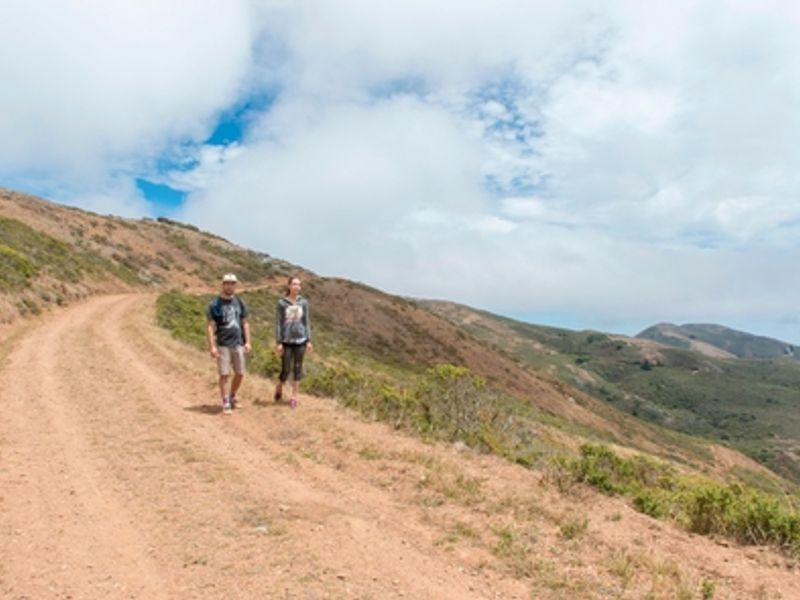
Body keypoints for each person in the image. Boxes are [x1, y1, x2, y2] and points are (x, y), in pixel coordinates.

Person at [206, 273, 251, 414]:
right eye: (228, 283)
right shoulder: (215, 304)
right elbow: (210, 326)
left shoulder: (240, 302)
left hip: (238, 343)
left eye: (233, 283)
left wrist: (248, 342)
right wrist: (212, 346)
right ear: (223, 284)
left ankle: (232, 396)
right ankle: (225, 401)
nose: (230, 286)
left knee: (240, 373)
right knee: (224, 374)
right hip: (223, 343)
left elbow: (245, 323)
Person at [274, 275, 313, 408]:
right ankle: (279, 386)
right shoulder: (282, 303)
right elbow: (279, 323)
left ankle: (294, 396)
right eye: (294, 284)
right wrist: (279, 342)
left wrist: (308, 340)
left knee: (297, 368)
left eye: (298, 284)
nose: (297, 286)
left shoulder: (304, 302)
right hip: (286, 340)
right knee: (285, 368)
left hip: (300, 340)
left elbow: (306, 322)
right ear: (289, 286)